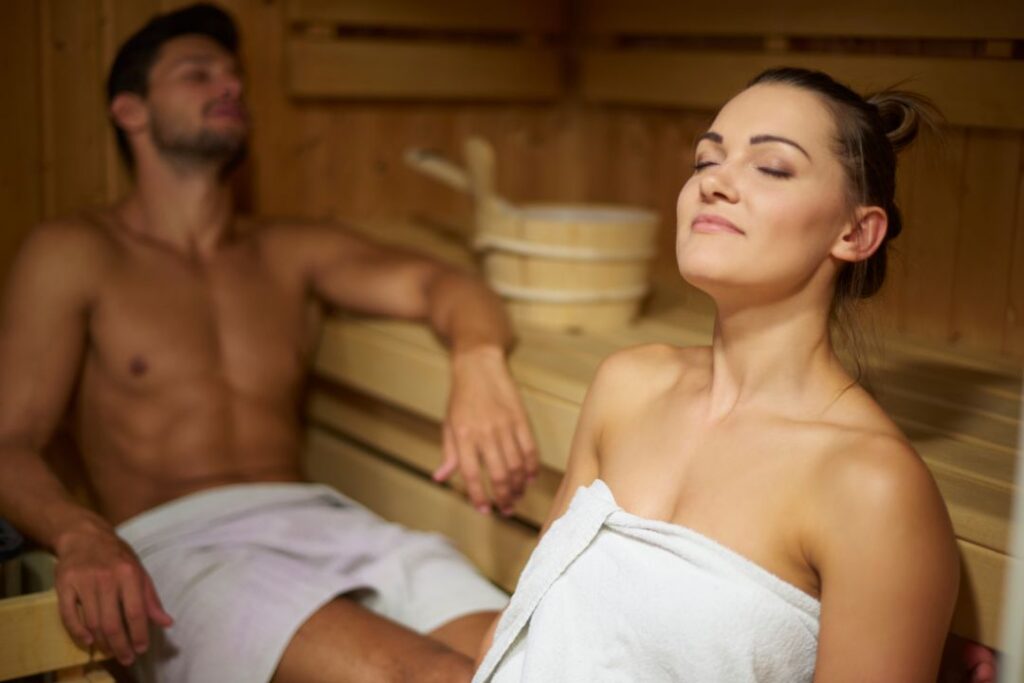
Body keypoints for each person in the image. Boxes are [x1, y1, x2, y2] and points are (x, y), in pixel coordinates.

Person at [0, 4, 538, 682]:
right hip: (183, 549)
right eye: (198, 74)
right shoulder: (74, 253)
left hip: (328, 522)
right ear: (129, 110)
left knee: (539, 662)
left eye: (234, 76)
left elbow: (444, 284)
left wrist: (478, 362)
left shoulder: (286, 251)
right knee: (435, 676)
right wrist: (81, 534)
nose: (228, 87)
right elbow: (8, 440)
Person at [473, 68, 988, 682]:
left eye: (771, 167)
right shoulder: (629, 386)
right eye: (704, 162)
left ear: (855, 232)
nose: (715, 182)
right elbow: (528, 622)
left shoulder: (869, 485)